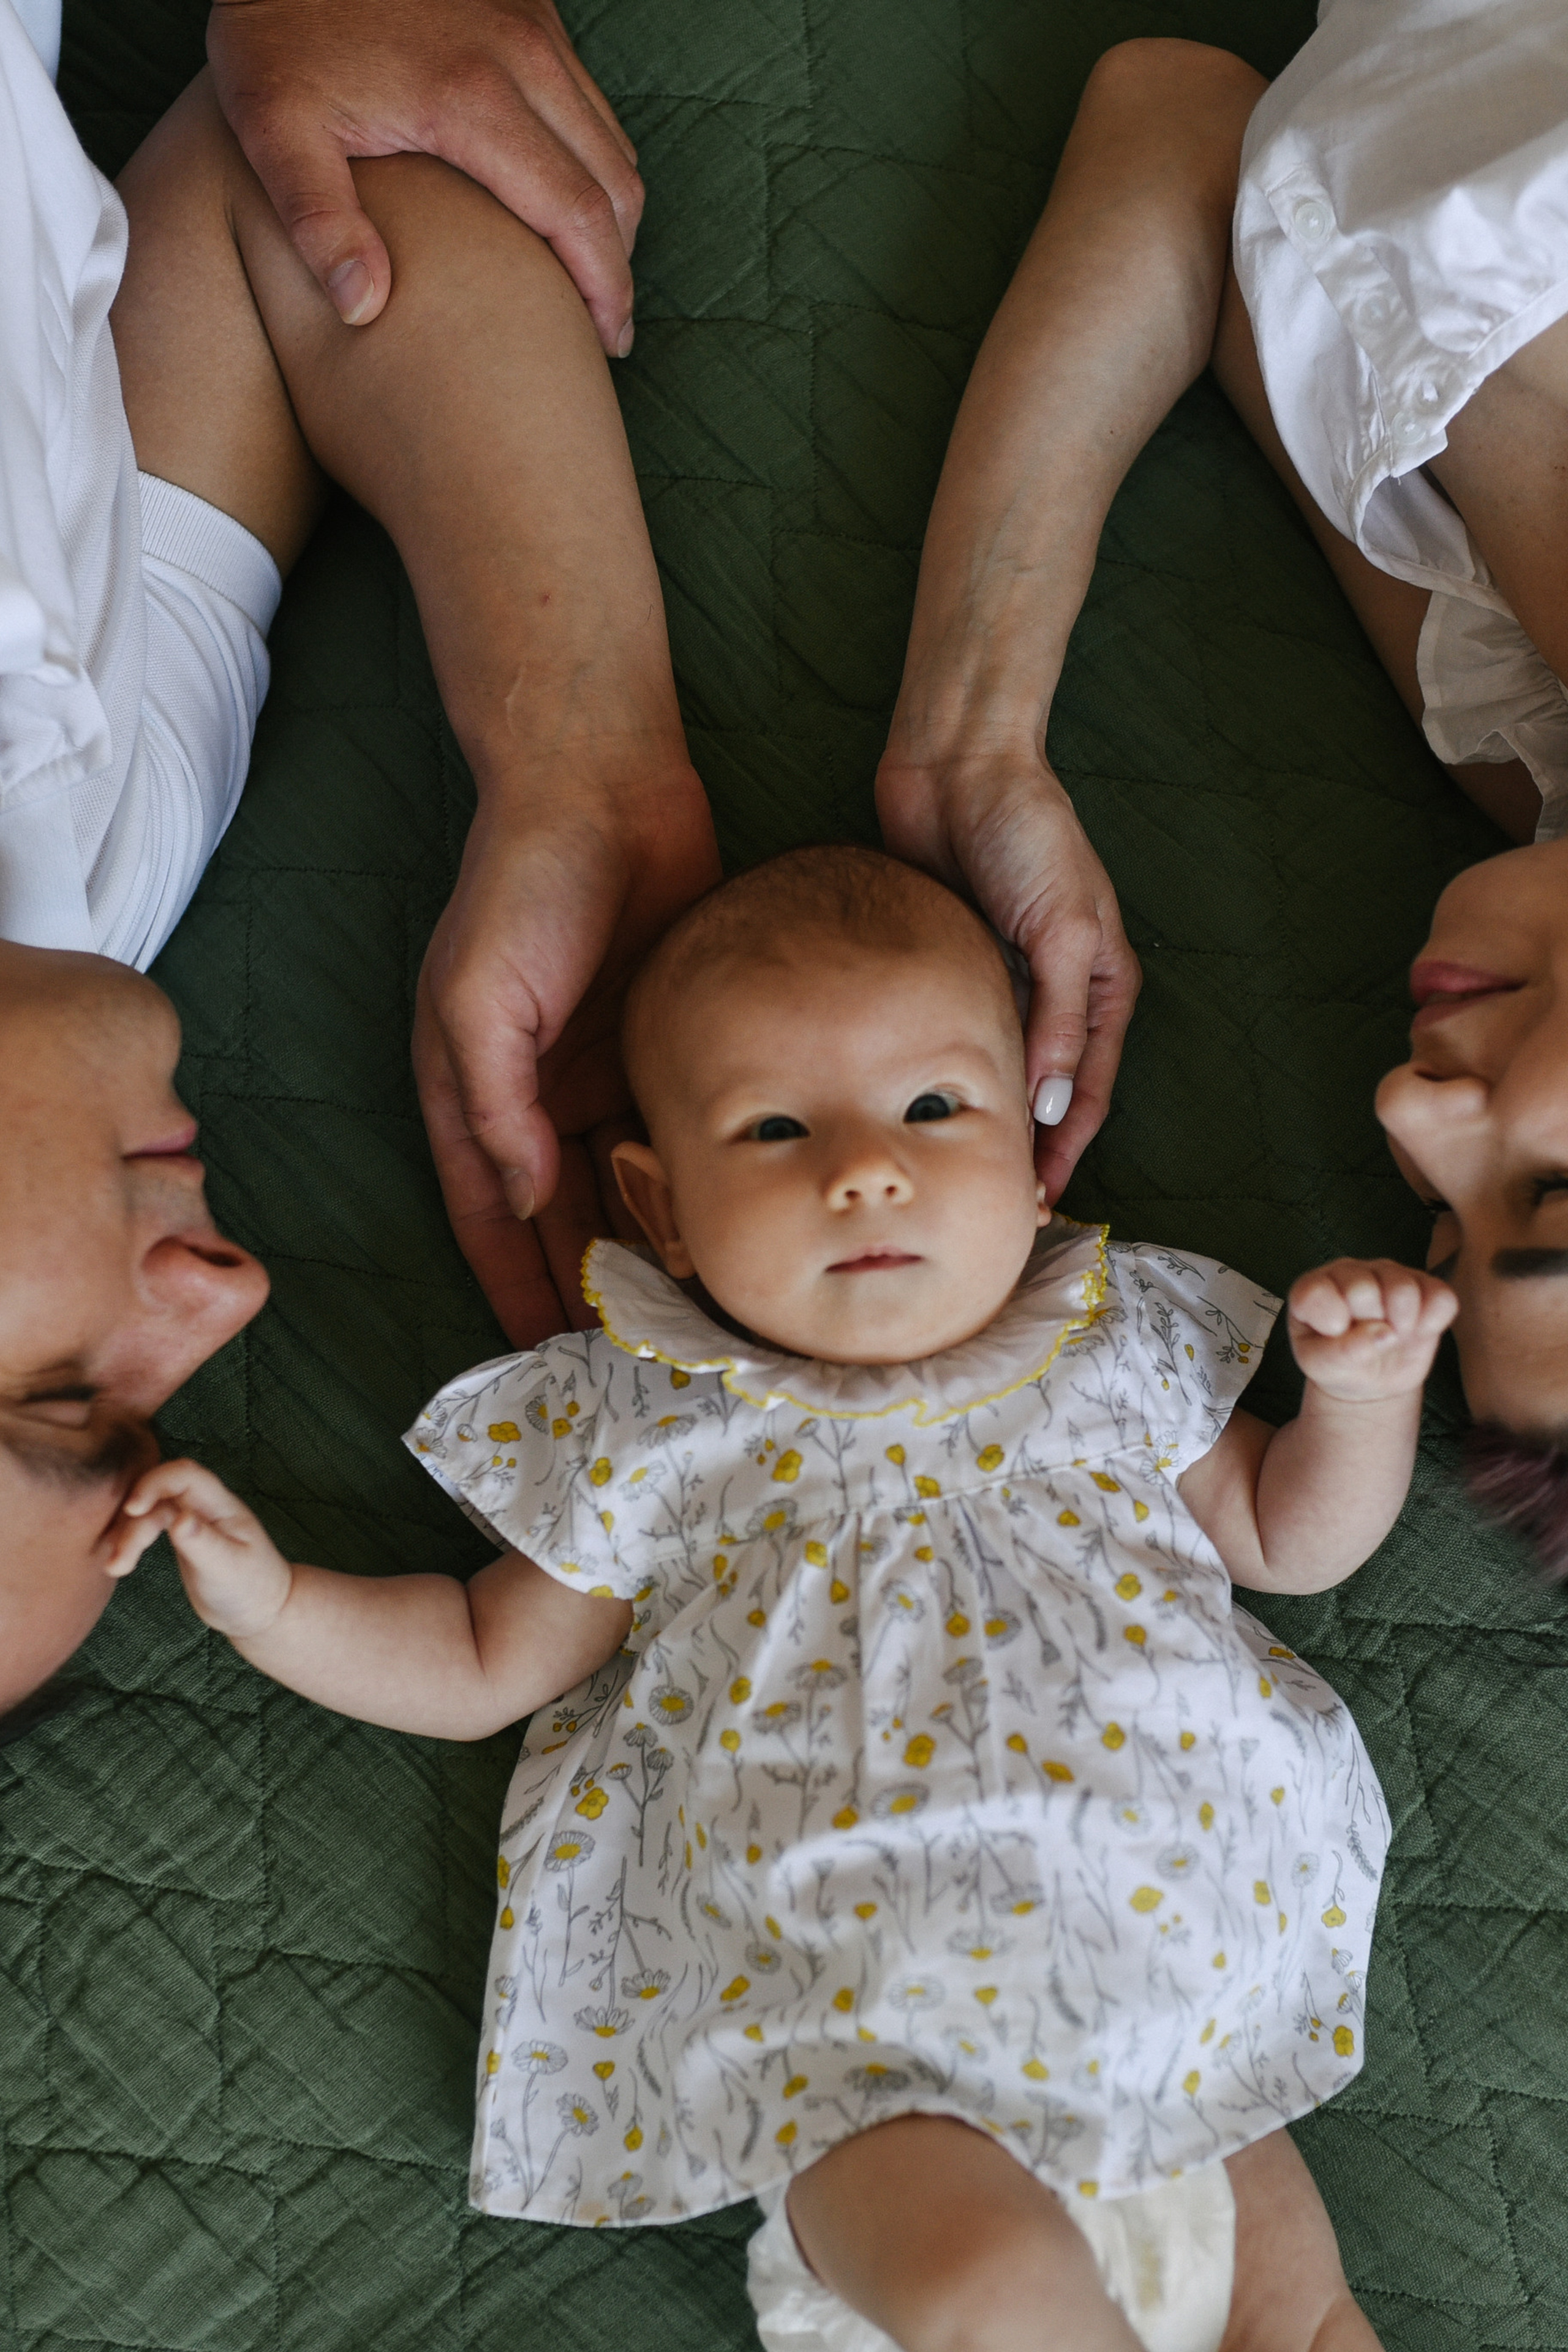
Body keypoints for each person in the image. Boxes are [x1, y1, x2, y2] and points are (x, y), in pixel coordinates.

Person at [107, 846, 1456, 2352]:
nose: (863, 1168)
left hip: (1181, 2025)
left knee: (1311, 2325)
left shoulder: (1117, 1345)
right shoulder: (657, 1424)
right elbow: (483, 1657)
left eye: (933, 1108)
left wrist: (1359, 1398)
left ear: (1029, 1133)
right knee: (996, 2299)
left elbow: (1292, 1540)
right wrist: (270, 1598)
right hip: (859, 2064)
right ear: (659, 1209)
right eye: (772, 1127)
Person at [883, 10, 1568, 1540]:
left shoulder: (1522, 787)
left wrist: (968, 738)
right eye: (1549, 1197)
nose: (1406, 1110)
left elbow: (1186, 135)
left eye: (1438, 1220)